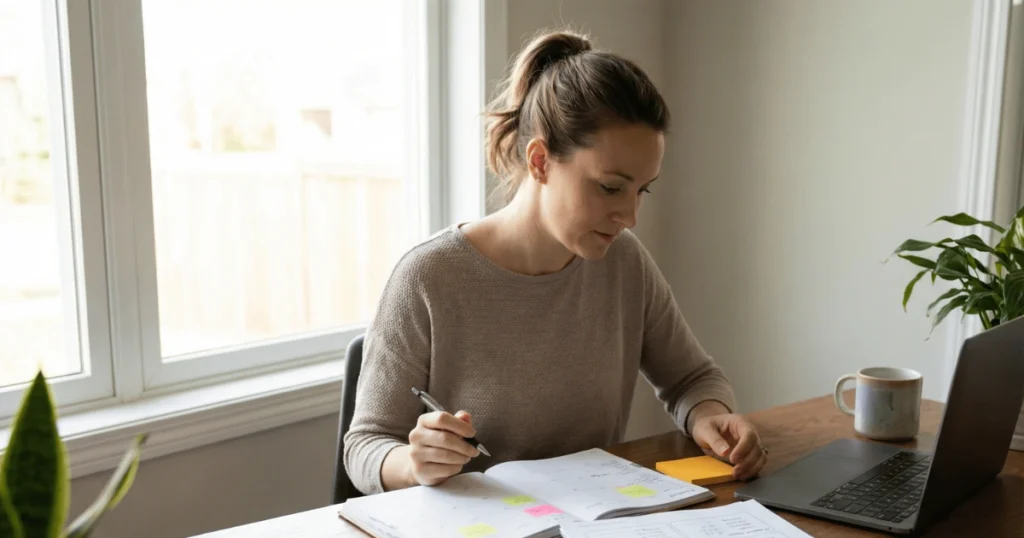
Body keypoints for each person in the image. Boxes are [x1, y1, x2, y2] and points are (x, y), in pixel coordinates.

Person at [343, 29, 766, 496]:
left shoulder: (623, 264)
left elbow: (692, 378)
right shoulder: (428, 278)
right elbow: (365, 446)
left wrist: (711, 414)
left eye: (641, 190)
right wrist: (413, 462)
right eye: (610, 187)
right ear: (541, 161)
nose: (629, 217)